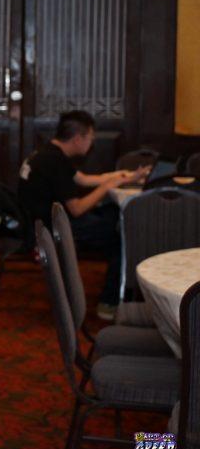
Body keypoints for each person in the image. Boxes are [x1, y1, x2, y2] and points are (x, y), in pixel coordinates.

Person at [17, 110, 147, 320]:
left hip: (42, 221)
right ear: (78, 139)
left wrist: (125, 177)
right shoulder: (54, 161)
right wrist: (107, 187)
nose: (92, 142)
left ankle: (121, 293)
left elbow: (83, 179)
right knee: (122, 237)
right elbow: (76, 208)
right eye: (91, 137)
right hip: (52, 229)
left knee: (113, 213)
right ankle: (109, 302)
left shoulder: (49, 152)